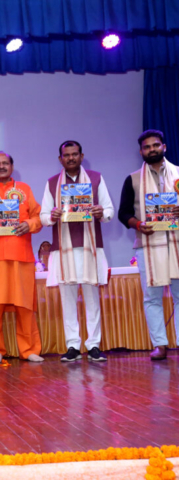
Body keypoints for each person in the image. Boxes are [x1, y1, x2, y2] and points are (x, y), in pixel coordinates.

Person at [40, 141, 114, 362]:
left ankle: (94, 345)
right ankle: (72, 345)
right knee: (68, 300)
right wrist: (51, 216)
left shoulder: (96, 178)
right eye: (66, 155)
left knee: (92, 300)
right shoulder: (52, 183)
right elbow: (43, 216)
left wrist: (101, 212)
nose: (71, 158)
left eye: (74, 154)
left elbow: (109, 210)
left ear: (82, 156)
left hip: (91, 248)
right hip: (64, 251)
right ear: (60, 159)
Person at [0, 152, 44, 363]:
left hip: (20, 255)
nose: (1, 167)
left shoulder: (24, 189)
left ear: (12, 166)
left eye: (5, 163)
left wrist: (29, 225)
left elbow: (38, 216)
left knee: (24, 305)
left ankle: (29, 349)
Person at [118, 129, 179, 361]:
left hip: (177, 243)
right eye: (147, 147)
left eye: (155, 145)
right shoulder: (133, 179)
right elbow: (124, 213)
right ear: (141, 151)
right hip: (148, 245)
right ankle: (159, 345)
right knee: (152, 297)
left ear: (164, 146)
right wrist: (138, 224)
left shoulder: (178, 174)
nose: (152, 149)